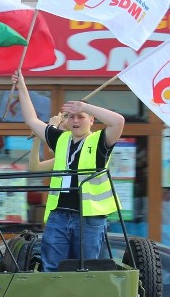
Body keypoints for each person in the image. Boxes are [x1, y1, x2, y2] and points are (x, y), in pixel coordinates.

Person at [13, 71, 125, 272]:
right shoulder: (62, 139)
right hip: (59, 215)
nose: (75, 120)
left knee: (86, 270)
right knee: (51, 268)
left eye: (81, 117)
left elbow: (118, 121)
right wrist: (21, 86)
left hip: (89, 218)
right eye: (72, 116)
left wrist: (85, 106)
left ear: (91, 120)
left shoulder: (99, 140)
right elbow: (31, 119)